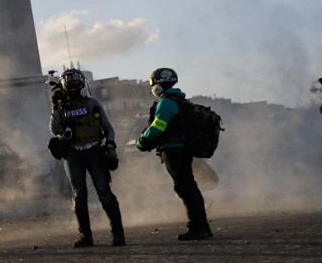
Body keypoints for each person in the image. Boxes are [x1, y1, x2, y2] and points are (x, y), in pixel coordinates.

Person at [49, 68, 125, 247]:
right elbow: (54, 129)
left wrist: (110, 146)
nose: (73, 85)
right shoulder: (61, 107)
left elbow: (108, 129)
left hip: (94, 151)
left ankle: (118, 234)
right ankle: (86, 236)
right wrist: (55, 108)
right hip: (73, 153)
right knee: (79, 195)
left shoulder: (92, 104)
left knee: (104, 193)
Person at [134, 67, 212, 240]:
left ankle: (197, 227)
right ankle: (202, 226)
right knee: (190, 186)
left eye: (153, 84)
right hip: (183, 148)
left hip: (173, 149)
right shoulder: (180, 100)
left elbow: (158, 126)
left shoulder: (166, 102)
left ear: (158, 84)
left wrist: (142, 141)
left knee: (184, 187)